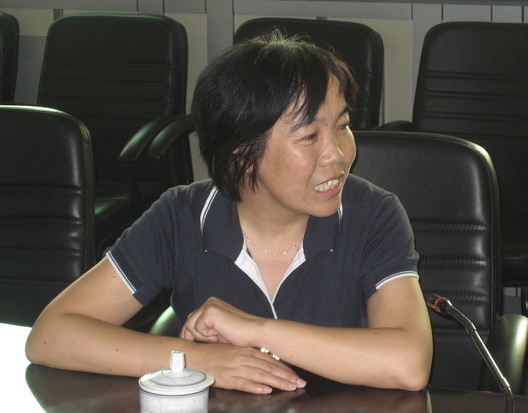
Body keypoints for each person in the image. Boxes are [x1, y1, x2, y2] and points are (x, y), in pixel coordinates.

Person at [26, 31, 433, 394]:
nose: (339, 155)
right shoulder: (181, 217)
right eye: (310, 136)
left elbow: (409, 363)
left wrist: (255, 330)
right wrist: (200, 360)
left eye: (342, 126)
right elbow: (51, 335)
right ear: (242, 152)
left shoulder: (373, 215)